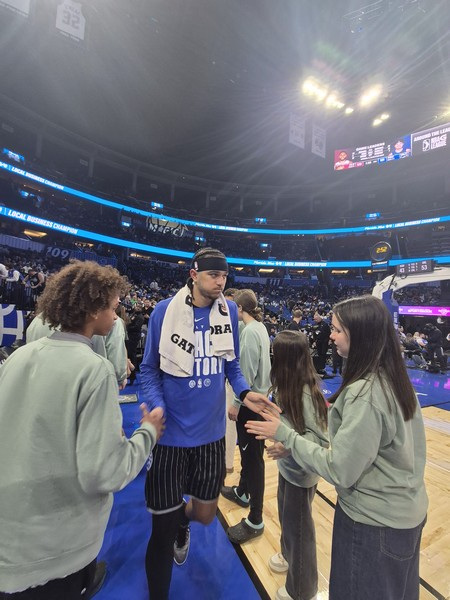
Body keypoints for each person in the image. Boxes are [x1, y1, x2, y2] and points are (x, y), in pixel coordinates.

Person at [0, 260, 165, 600]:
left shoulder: (18, 356)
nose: (116, 316)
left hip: (11, 536)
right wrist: (148, 433)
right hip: (57, 549)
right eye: (113, 307)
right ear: (92, 310)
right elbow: (104, 472)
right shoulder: (94, 369)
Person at [246, 295, 428, 600]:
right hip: (405, 514)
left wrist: (285, 435)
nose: (331, 336)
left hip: (373, 523)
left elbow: (340, 469)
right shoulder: (396, 380)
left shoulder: (365, 394)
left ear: (361, 336)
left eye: (337, 330)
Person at [140, 247, 276, 600]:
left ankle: (183, 521)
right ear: (194, 274)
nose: (220, 283)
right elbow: (148, 370)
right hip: (171, 435)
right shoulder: (163, 312)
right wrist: (157, 407)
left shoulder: (228, 311)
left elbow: (231, 365)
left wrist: (245, 392)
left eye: (225, 276)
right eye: (214, 275)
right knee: (161, 532)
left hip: (211, 436)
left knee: (204, 513)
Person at [266, 330, 328, 600]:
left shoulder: (306, 393)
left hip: (302, 473)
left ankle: (302, 590)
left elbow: (320, 440)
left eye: (275, 351)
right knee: (287, 520)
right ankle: (288, 554)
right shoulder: (286, 385)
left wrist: (287, 446)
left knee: (300, 532)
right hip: (288, 469)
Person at [222, 289, 272, 544]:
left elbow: (247, 374)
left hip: (250, 405)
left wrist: (236, 403)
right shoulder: (259, 327)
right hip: (258, 401)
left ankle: (256, 518)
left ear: (240, 309)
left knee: (254, 460)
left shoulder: (251, 332)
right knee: (248, 454)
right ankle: (242, 491)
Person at [223, 287, 239, 474]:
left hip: (235, 386)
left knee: (230, 425)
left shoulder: (242, 328)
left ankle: (227, 463)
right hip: (227, 383)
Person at [312, 308, 330, 375]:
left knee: (322, 356)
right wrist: (314, 341)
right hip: (318, 344)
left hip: (324, 344)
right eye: (314, 315)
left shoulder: (325, 325)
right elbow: (314, 335)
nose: (315, 317)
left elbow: (328, 335)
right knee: (318, 356)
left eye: (316, 315)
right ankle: (318, 368)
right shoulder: (314, 325)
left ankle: (322, 368)